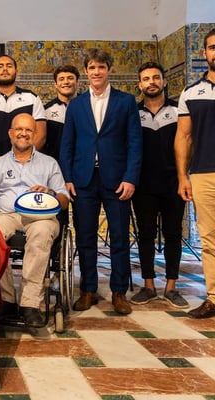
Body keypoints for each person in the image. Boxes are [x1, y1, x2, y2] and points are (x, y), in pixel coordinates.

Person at [0, 113, 68, 326]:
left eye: (28, 130)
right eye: (19, 129)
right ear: (10, 133)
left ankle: (29, 304)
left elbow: (64, 199)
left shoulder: (49, 163)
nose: (23, 133)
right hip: (8, 215)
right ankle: (6, 299)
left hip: (41, 217)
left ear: (35, 134)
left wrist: (51, 193)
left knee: (42, 232)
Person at [59, 48, 142, 315]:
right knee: (85, 237)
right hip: (83, 180)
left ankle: (119, 291)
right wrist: (67, 178)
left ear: (109, 70)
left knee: (119, 237)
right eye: (92, 68)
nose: (97, 72)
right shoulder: (76, 105)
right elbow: (67, 144)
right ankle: (88, 290)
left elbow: (135, 143)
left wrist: (130, 178)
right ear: (86, 72)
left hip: (117, 180)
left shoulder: (126, 101)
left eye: (101, 67)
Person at [130, 62, 188, 309]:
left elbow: (188, 142)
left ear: (164, 82)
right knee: (146, 235)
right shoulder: (133, 113)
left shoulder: (178, 111)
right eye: (146, 79)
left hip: (173, 182)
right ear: (139, 85)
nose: (151, 82)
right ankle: (149, 286)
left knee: (173, 234)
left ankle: (171, 287)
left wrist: (185, 176)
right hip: (143, 184)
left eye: (156, 77)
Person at [175, 28, 215, 318]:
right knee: (210, 238)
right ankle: (214, 297)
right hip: (203, 173)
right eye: (213, 47)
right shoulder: (191, 93)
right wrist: (183, 176)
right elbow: (184, 137)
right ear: (205, 53)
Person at [0, 54, 47, 174]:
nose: (5, 69)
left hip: (29, 168)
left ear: (16, 72)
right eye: (0, 66)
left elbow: (41, 135)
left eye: (9, 66)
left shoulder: (32, 98)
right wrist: (2, 163)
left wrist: (24, 160)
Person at [43, 65, 80, 161]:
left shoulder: (88, 106)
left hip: (82, 163)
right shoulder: (45, 111)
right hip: (55, 164)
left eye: (70, 78)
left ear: (77, 82)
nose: (66, 82)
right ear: (56, 84)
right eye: (61, 79)